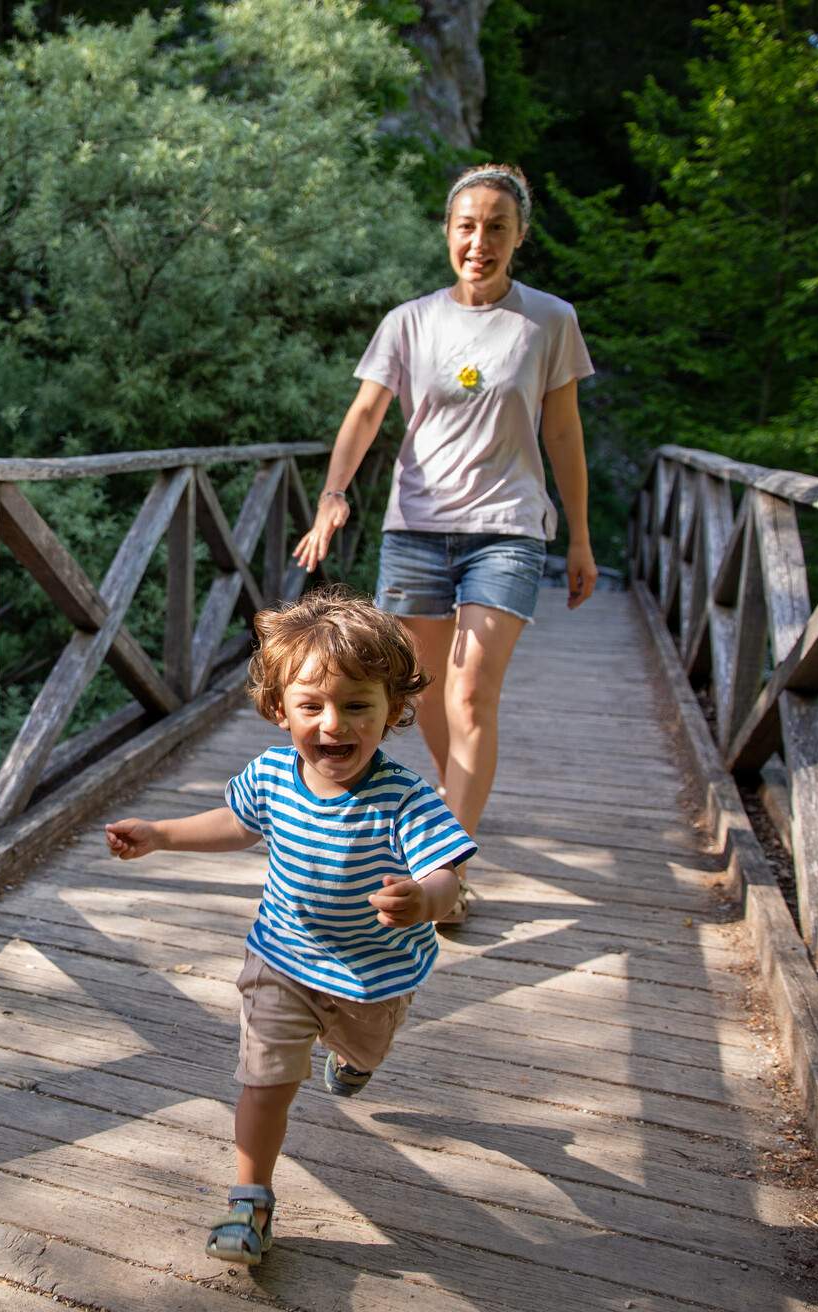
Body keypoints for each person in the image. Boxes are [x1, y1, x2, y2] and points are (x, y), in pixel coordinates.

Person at [103, 587, 475, 1266]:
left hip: (374, 975)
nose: (334, 725)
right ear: (280, 711)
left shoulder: (404, 797)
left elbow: (448, 871)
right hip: (282, 959)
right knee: (264, 1081)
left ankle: (351, 1061)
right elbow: (237, 825)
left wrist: (425, 900)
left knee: (363, 1054)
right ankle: (250, 1200)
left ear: (393, 709)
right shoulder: (274, 774)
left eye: (358, 705)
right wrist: (161, 833)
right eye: (312, 707)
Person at [292, 162, 595, 924]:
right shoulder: (410, 321)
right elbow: (365, 414)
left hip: (509, 529)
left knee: (470, 693)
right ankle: (454, 788)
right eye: (467, 225)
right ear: (448, 232)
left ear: (520, 236)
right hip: (416, 529)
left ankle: (447, 875)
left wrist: (581, 535)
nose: (479, 241)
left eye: (497, 227)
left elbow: (562, 431)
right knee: (417, 692)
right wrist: (334, 496)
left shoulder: (549, 321)